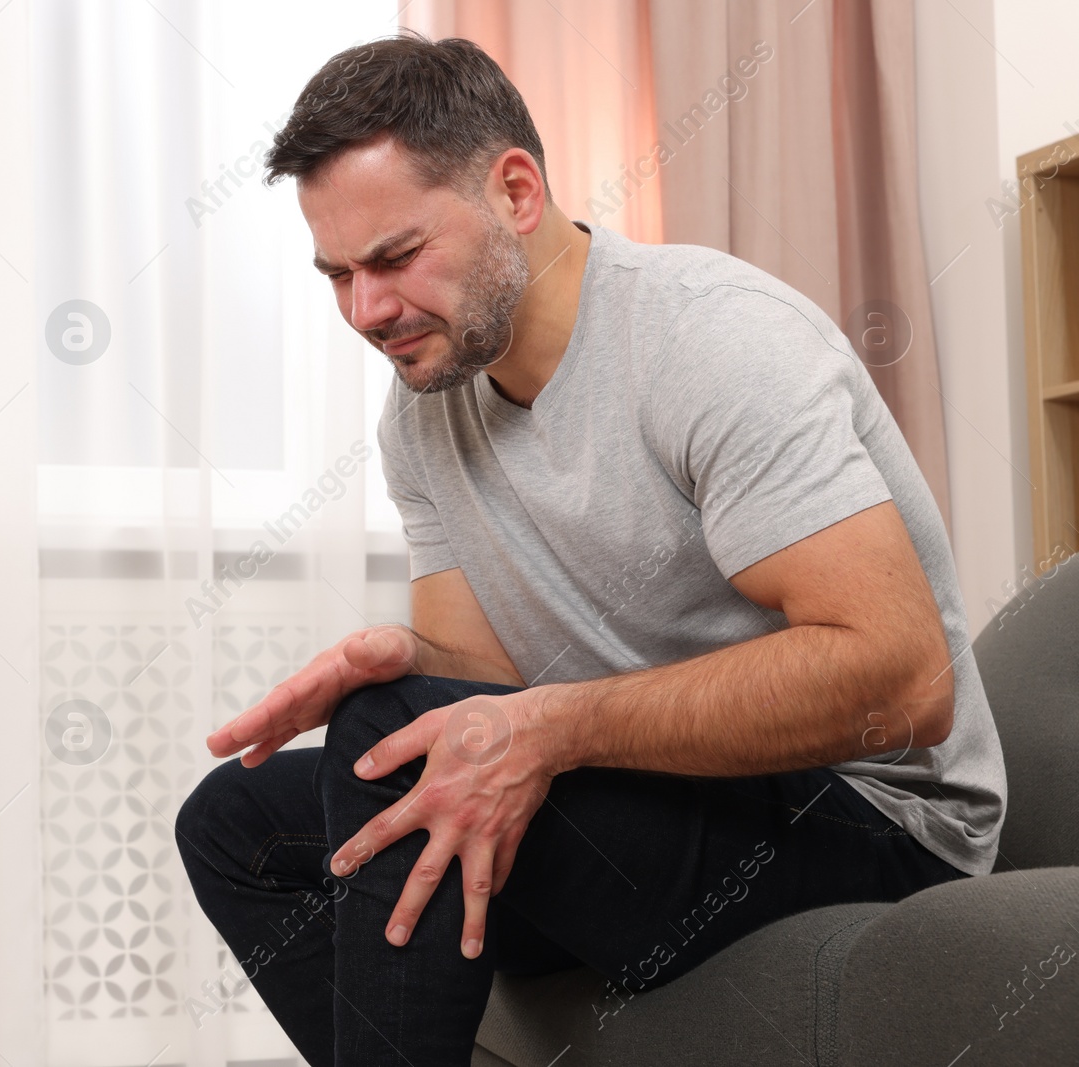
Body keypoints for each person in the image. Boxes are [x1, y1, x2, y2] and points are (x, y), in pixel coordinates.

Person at [175, 31, 1005, 1067]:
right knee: (237, 821)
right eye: (337, 273)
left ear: (516, 192)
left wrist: (553, 724)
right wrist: (402, 656)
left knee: (390, 734)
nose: (366, 310)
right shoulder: (424, 407)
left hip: (874, 824)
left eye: (392, 258)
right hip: (657, 794)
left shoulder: (712, 341)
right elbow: (478, 690)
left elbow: (902, 682)